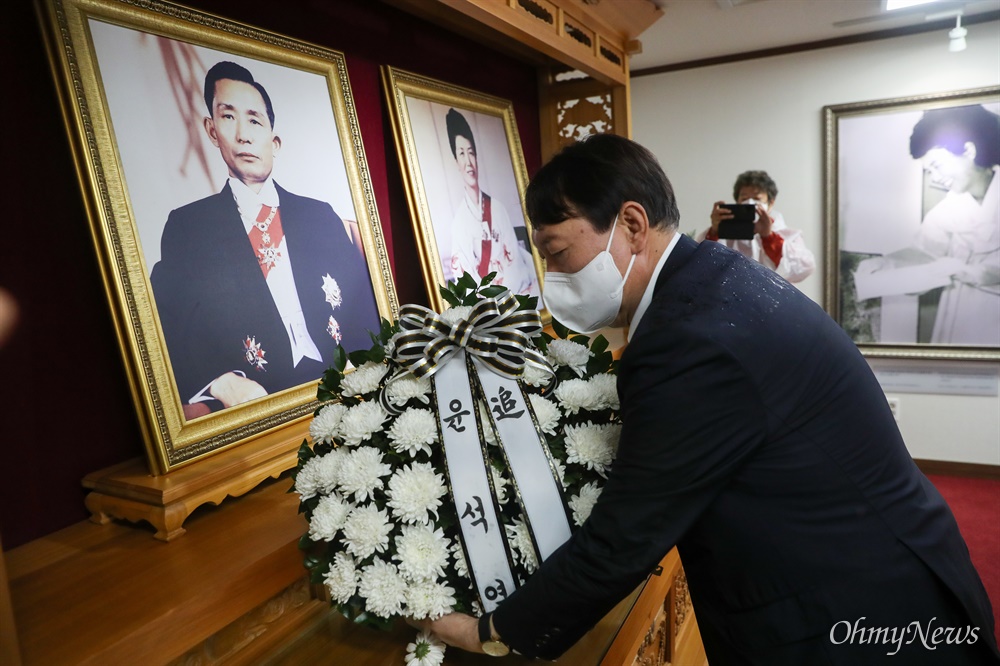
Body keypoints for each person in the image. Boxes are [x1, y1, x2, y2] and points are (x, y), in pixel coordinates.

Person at [421, 134, 998, 664]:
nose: (552, 276)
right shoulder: (713, 277)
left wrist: (492, 631)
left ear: (630, 224)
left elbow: (625, 536)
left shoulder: (686, 340)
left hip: (858, 616)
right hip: (892, 562)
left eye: (557, 252)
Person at [150, 61, 380, 416]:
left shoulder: (320, 215)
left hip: (343, 387)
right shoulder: (188, 227)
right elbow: (167, 327)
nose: (244, 134)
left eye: (255, 120)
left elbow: (363, 310)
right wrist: (223, 383)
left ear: (274, 141)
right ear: (212, 131)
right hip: (261, 399)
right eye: (229, 117)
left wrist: (362, 372)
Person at [854, 104, 999, 345]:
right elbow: (924, 251)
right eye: (929, 170)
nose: (935, 177)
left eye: (936, 166)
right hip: (960, 310)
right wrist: (885, 263)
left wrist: (970, 271)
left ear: (968, 150)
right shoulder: (952, 205)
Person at [444, 108, 538, 296]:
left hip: (513, 295)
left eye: (471, 152)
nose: (468, 161)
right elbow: (465, 281)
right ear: (456, 161)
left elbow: (515, 264)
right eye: (461, 153)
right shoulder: (458, 224)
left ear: (477, 157)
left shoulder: (497, 209)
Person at [700, 170, 815, 283]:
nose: (750, 202)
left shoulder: (789, 235)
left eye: (757, 198)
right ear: (737, 201)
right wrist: (715, 231)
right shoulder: (724, 233)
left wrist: (768, 237)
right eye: (744, 198)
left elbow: (804, 268)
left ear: (771, 203)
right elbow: (701, 263)